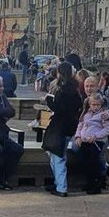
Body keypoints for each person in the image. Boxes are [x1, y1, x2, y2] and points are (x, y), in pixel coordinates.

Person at [41, 60, 81, 198]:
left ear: (60, 73)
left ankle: (61, 187)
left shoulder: (63, 90)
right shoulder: (75, 89)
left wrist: (48, 100)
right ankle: (58, 183)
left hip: (59, 126)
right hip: (70, 126)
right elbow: (77, 106)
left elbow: (58, 108)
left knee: (57, 157)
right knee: (56, 155)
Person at [72, 92, 109, 194]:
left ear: (101, 104)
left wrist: (96, 136)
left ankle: (96, 184)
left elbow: (108, 129)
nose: (95, 107)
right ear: (89, 104)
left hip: (96, 142)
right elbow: (80, 126)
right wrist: (78, 136)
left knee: (93, 162)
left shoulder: (103, 115)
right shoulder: (86, 114)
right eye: (93, 104)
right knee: (84, 161)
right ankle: (89, 182)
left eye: (98, 105)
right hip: (84, 141)